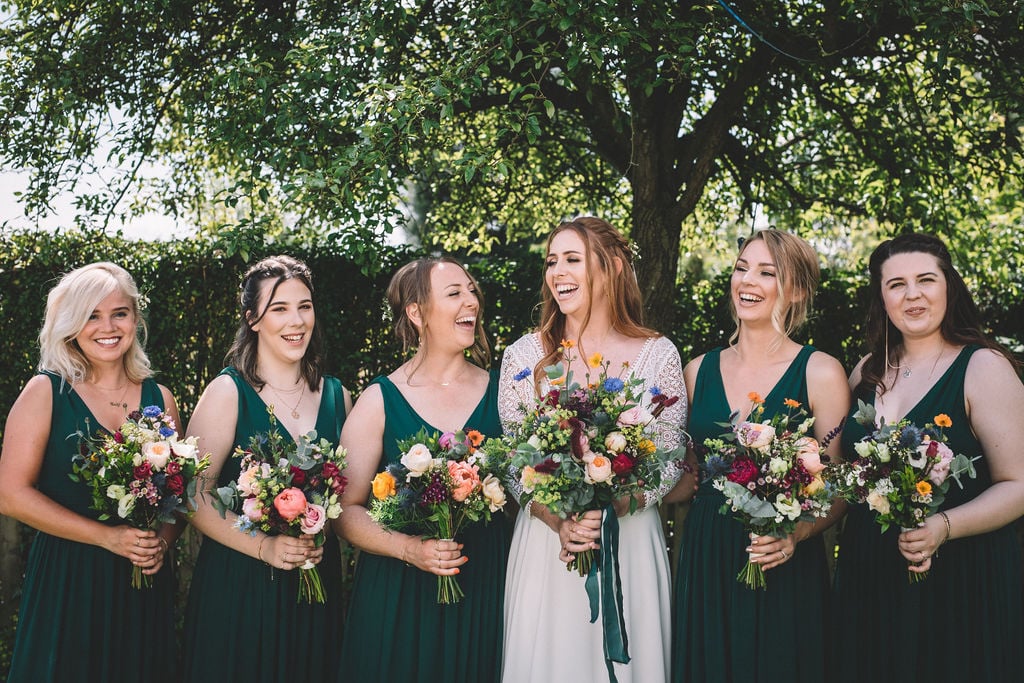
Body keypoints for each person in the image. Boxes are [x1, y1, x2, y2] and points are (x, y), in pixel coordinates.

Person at [498, 216, 687, 683]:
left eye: (572, 260)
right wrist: (558, 520)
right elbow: (512, 464)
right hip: (548, 545)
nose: (558, 271)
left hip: (630, 543)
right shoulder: (524, 357)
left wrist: (615, 506)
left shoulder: (658, 354)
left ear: (613, 267)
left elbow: (668, 461)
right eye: (551, 261)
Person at [831, 232, 1024, 682]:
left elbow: (1018, 483)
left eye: (926, 280)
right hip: (870, 571)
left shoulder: (983, 367)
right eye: (896, 284)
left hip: (960, 577)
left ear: (948, 287)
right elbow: (843, 467)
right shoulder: (865, 371)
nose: (912, 294)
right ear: (881, 298)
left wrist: (943, 526)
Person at [668, 229, 850, 683]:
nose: (747, 280)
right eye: (741, 267)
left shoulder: (821, 372)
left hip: (782, 553)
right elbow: (685, 475)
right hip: (707, 553)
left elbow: (841, 482)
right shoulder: (697, 371)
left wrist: (797, 534)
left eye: (767, 272)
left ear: (798, 290)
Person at [0, 262, 179, 682]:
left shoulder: (161, 397)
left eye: (119, 313)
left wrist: (161, 544)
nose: (107, 326)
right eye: (92, 315)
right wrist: (107, 537)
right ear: (71, 325)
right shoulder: (47, 391)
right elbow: (10, 493)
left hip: (140, 583)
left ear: (135, 318)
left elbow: (178, 493)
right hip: (68, 579)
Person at [336, 256, 508, 683]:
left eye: (472, 291)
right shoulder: (379, 399)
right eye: (454, 293)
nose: (470, 301)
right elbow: (344, 510)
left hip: (484, 588)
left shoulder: (503, 393)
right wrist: (409, 549)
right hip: (399, 598)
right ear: (416, 313)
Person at [182, 255, 352, 683]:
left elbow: (345, 498)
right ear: (252, 319)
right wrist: (265, 547)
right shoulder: (227, 392)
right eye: (279, 309)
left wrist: (321, 528)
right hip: (240, 587)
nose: (296, 320)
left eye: (304, 306)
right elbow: (192, 494)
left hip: (318, 584)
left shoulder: (338, 397)